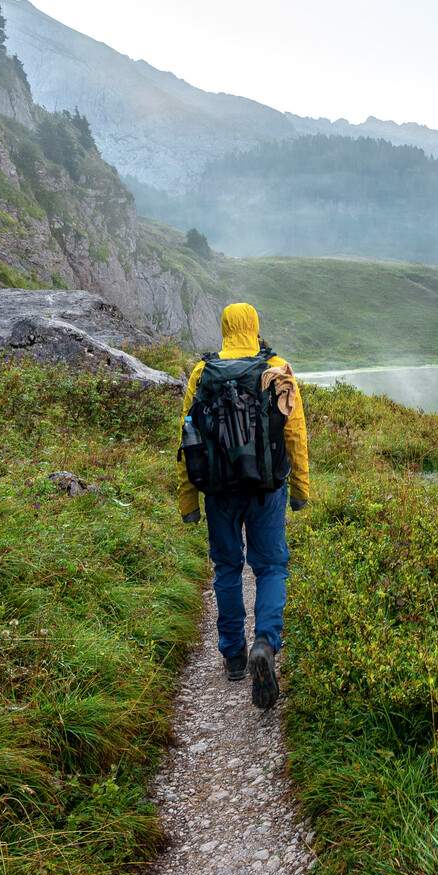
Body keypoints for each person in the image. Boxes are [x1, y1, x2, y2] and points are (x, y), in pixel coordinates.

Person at [177, 302, 311, 710]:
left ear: (224, 328)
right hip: (267, 489)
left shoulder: (203, 373)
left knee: (228, 567)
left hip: (219, 491)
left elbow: (187, 438)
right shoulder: (278, 369)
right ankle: (266, 643)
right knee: (270, 567)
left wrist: (188, 500)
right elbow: (295, 436)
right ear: (254, 327)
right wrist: (301, 489)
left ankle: (234, 656)